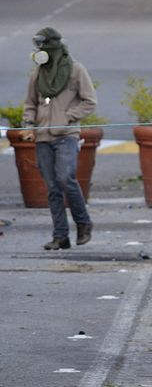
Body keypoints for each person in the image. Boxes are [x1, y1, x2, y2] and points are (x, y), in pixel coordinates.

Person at [21, 28, 97, 250]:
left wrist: (68, 117)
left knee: (66, 178)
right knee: (52, 187)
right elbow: (30, 103)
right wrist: (28, 125)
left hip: (66, 136)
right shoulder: (38, 73)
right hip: (43, 137)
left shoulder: (75, 70)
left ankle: (83, 223)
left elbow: (89, 101)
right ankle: (60, 235)